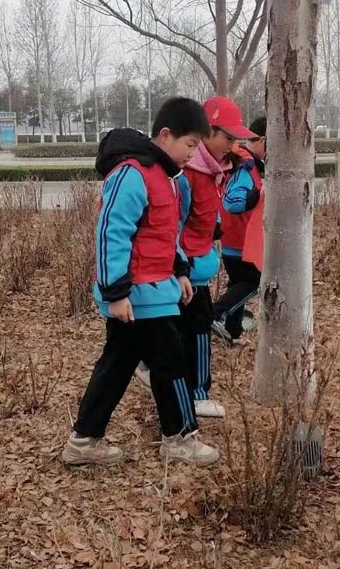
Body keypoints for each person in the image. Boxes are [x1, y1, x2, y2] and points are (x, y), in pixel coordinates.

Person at [61, 98, 221, 467]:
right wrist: (115, 293)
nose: (193, 154)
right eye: (191, 145)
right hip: (137, 294)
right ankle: (180, 437)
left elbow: (166, 234)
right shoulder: (131, 174)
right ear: (166, 135)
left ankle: (84, 440)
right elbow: (111, 233)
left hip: (152, 290)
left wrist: (180, 270)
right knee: (171, 361)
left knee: (117, 365)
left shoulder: (164, 178)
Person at [147, 96, 256, 420]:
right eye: (228, 137)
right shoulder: (186, 174)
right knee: (190, 332)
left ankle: (196, 393)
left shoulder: (213, 170)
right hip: (186, 270)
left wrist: (215, 229)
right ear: (207, 132)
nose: (233, 145)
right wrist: (179, 265)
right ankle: (193, 397)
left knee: (195, 330)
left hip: (198, 264)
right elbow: (173, 224)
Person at [212, 116, 266, 343]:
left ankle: (233, 332)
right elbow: (232, 201)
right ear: (263, 140)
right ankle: (215, 314)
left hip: (232, 238)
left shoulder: (238, 159)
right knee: (256, 282)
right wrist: (259, 195)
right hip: (239, 241)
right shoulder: (246, 164)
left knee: (238, 285)